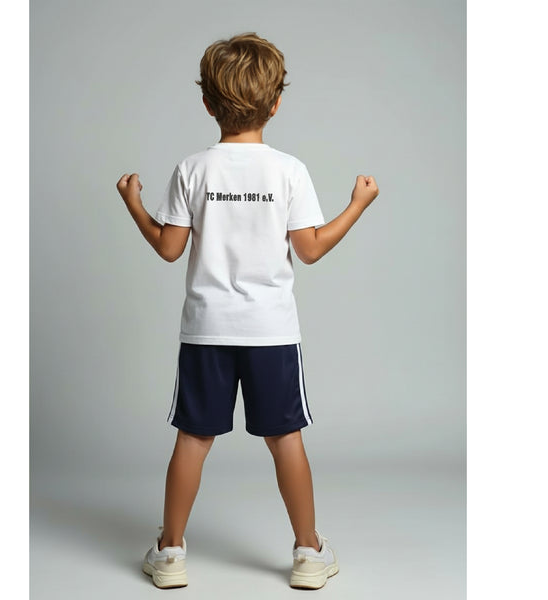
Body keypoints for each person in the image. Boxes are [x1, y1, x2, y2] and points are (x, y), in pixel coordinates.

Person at [116, 32, 379, 590]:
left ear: (207, 103)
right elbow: (310, 250)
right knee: (286, 439)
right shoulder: (289, 170)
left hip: (206, 330)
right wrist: (357, 204)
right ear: (276, 103)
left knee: (193, 439)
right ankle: (309, 553)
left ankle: (170, 553)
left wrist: (134, 203)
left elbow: (168, 248)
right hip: (270, 331)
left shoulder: (193, 168)